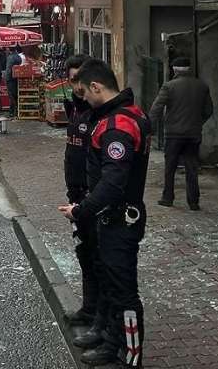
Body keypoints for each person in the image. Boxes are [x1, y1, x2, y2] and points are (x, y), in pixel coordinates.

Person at [58, 59, 150, 367]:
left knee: (123, 292)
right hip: (111, 216)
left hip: (120, 218)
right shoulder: (121, 115)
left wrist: (81, 210)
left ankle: (130, 356)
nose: (82, 98)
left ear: (97, 87)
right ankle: (111, 341)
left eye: (84, 92)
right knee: (110, 284)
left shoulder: (118, 125)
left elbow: (113, 182)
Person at [60, 55, 105, 337]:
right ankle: (89, 309)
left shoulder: (99, 112)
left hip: (94, 198)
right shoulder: (76, 108)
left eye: (82, 80)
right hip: (76, 196)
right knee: (84, 254)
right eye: (73, 80)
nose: (78, 86)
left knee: (99, 259)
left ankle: (101, 320)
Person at [148, 57, 213, 211]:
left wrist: (149, 127)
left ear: (174, 70)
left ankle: (168, 198)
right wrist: (198, 123)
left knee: (170, 167)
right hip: (193, 134)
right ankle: (194, 201)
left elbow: (156, 108)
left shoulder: (169, 86)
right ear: (189, 69)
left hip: (173, 134)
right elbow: (209, 110)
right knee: (192, 167)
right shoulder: (202, 86)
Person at [5, 46, 24, 118]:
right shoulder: (18, 57)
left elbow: (8, 69)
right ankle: (17, 110)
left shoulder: (10, 57)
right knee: (16, 94)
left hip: (10, 79)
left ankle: (12, 111)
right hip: (16, 78)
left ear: (9, 49)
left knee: (11, 95)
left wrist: (6, 78)